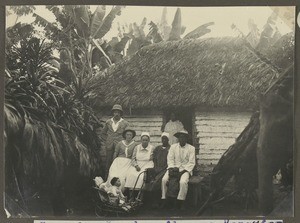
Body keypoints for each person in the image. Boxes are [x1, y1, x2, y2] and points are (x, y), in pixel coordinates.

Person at [161, 130, 195, 210]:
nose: (182, 139)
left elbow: (191, 162)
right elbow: (170, 159)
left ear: (186, 139)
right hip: (174, 168)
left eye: (184, 137)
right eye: (180, 137)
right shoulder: (173, 147)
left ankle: (181, 201)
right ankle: (164, 199)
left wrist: (182, 172)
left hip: (185, 169)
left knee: (182, 182)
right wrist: (170, 169)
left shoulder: (191, 148)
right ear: (178, 138)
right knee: (164, 179)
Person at [102, 104, 130, 178]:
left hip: (119, 146)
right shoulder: (108, 122)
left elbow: (127, 135)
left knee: (118, 162)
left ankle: (117, 180)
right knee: (108, 162)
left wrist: (123, 143)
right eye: (115, 112)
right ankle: (107, 179)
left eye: (118, 112)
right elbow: (103, 133)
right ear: (113, 113)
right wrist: (107, 140)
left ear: (121, 113)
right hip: (109, 145)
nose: (116, 114)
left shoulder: (125, 123)